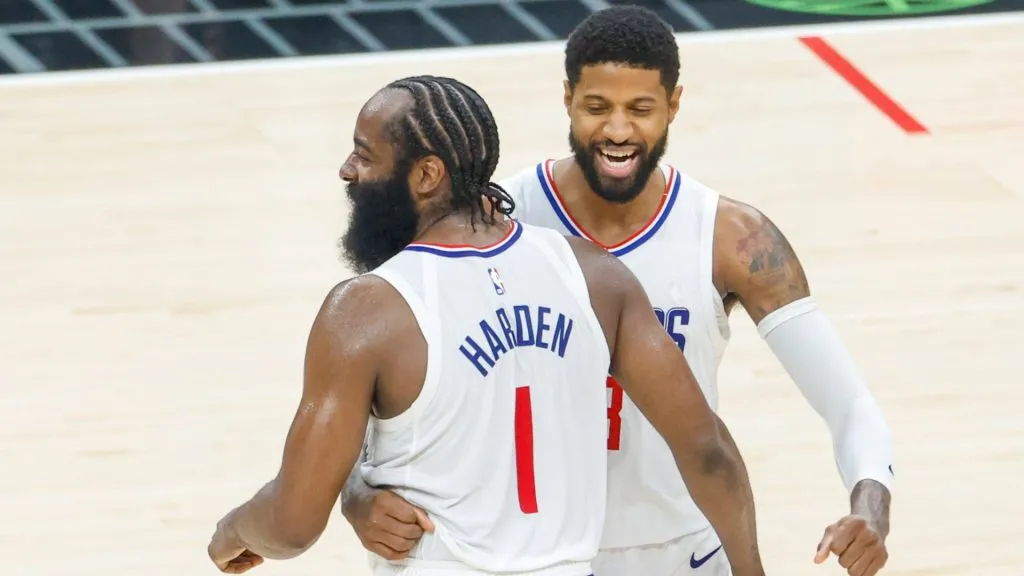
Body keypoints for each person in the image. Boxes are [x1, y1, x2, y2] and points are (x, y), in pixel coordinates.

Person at [341, 7, 896, 576]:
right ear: (567, 98)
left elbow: (848, 401)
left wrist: (871, 502)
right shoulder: (491, 221)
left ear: (674, 104)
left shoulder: (731, 238)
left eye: (641, 109)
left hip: (685, 552)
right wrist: (356, 490)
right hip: (530, 557)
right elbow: (370, 370)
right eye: (597, 107)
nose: (617, 131)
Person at [207, 74, 766, 576]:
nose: (347, 171)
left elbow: (292, 523)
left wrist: (230, 531)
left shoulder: (365, 312)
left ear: (426, 176)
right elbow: (707, 451)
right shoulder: (595, 274)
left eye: (364, 155)